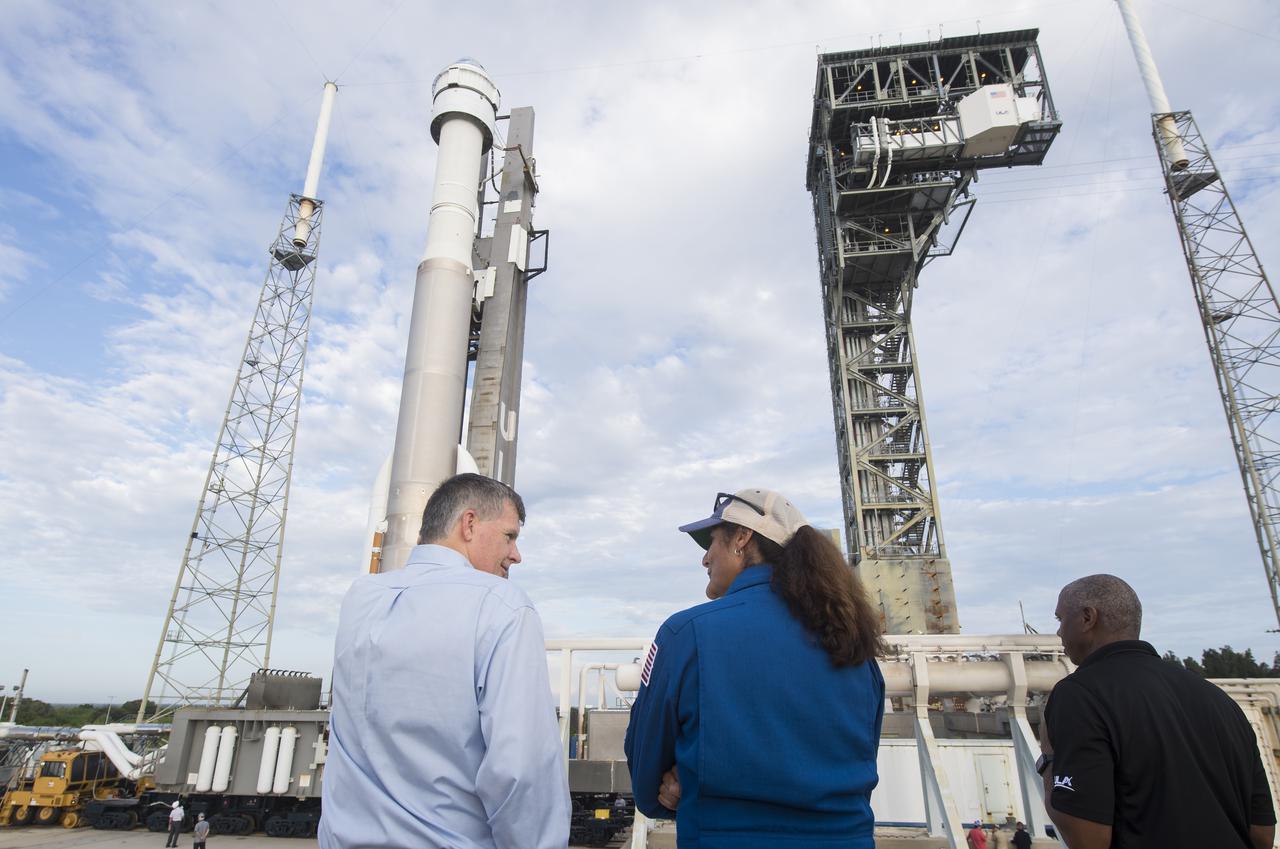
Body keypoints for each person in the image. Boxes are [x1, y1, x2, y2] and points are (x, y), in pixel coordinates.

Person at [625, 488, 887, 849]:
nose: (705, 559)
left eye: (712, 542)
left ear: (742, 539)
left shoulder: (686, 634)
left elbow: (645, 781)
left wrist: (689, 785)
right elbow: (859, 766)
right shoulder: (854, 645)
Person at [319, 473, 570, 849]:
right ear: (469, 524)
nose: (516, 555)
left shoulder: (361, 598)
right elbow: (521, 771)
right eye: (510, 536)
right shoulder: (502, 605)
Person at [1039, 574, 1276, 849]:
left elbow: (1087, 839)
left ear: (1087, 618)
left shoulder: (1079, 694)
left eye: (1060, 619)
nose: (1058, 632)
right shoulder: (1220, 700)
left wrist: (1048, 759)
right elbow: (1262, 834)